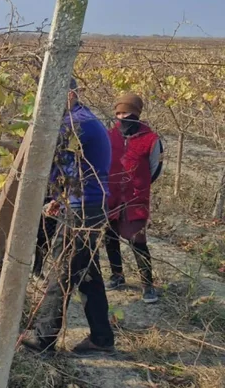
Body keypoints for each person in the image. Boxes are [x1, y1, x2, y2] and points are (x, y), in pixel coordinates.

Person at [22, 78, 116, 355]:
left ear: (71, 94)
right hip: (86, 205)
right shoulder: (80, 118)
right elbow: (68, 166)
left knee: (62, 273)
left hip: (84, 210)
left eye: (53, 96)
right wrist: (58, 199)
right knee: (88, 275)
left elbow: (47, 156)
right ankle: (102, 338)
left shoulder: (76, 124)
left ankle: (43, 338)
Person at [104, 93, 163, 304]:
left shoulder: (151, 140)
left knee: (138, 241)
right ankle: (117, 275)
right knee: (109, 237)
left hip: (135, 199)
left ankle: (147, 285)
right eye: (118, 113)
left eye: (126, 113)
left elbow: (155, 170)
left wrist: (138, 185)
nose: (121, 117)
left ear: (136, 114)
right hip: (111, 197)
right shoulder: (110, 135)